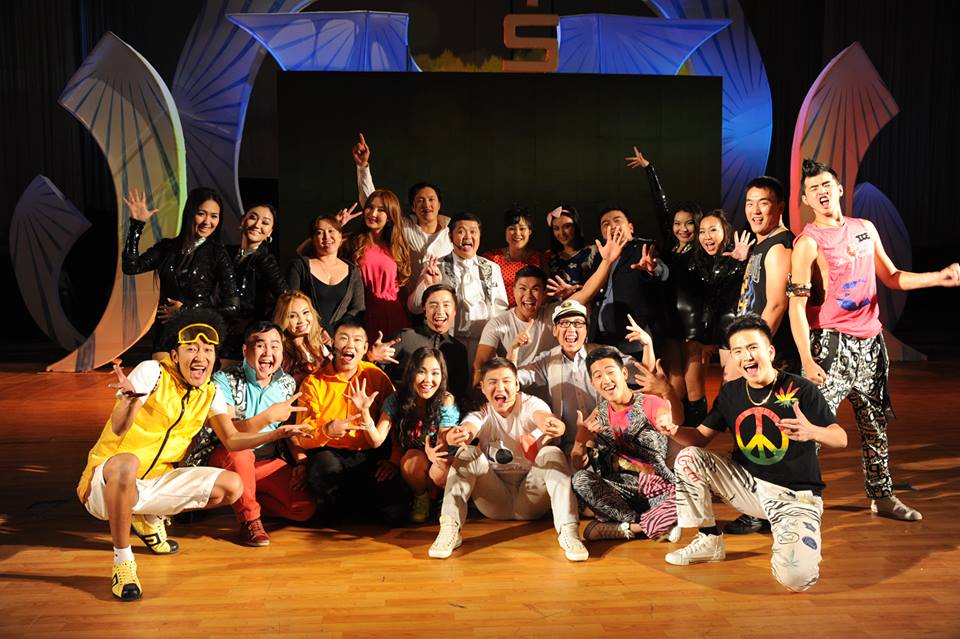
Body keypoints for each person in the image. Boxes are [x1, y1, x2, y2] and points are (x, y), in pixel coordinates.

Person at [76, 309, 308, 600]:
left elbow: (233, 439)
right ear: (175, 355)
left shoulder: (210, 393)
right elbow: (120, 428)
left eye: (207, 350)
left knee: (232, 486)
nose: (201, 356)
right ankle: (123, 562)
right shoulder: (152, 372)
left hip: (153, 483)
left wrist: (276, 433)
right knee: (128, 462)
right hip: (106, 483)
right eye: (192, 349)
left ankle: (146, 516)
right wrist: (129, 404)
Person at [789, 158, 960, 521]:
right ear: (805, 199)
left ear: (839, 189)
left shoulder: (864, 228)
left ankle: (882, 496)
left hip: (871, 343)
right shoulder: (808, 242)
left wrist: (939, 277)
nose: (821, 192)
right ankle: (797, 501)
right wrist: (806, 358)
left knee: (874, 425)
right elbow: (796, 306)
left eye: (826, 185)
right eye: (813, 188)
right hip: (831, 345)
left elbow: (892, 276)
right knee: (813, 427)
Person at [656, 314, 847, 592]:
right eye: (738, 351)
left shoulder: (801, 389)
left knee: (797, 579)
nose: (746, 356)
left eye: (753, 347)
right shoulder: (731, 393)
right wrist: (673, 430)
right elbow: (698, 438)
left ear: (770, 352)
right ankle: (709, 540)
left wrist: (813, 432)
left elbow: (840, 438)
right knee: (689, 458)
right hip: (748, 486)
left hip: (794, 497)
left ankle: (789, 537)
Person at [428, 358, 589, 562]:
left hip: (530, 497)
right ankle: (449, 529)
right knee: (467, 453)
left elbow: (543, 417)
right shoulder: (482, 412)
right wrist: (458, 435)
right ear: (482, 387)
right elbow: (469, 428)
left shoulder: (531, 404)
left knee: (552, 452)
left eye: (506, 381)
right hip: (495, 499)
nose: (500, 387)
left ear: (517, 384)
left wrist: (554, 424)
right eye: (493, 382)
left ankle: (569, 532)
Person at [181, 321, 316, 546]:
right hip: (227, 456)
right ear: (245, 350)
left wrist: (301, 462)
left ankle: (247, 498)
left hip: (265, 460)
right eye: (260, 345)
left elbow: (290, 432)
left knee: (303, 507)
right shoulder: (223, 379)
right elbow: (231, 434)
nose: (268, 352)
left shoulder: (287, 383)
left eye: (275, 346)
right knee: (240, 454)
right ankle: (250, 520)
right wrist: (268, 417)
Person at [727, 175, 797, 535]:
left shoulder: (780, 247)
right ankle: (758, 507)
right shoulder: (761, 244)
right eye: (749, 203)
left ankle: (765, 511)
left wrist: (749, 356)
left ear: (779, 207)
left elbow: (776, 305)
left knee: (765, 434)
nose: (754, 210)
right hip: (754, 353)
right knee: (753, 431)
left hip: (768, 358)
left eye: (763, 203)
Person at [473, 229, 626, 390]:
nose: (528, 295)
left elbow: (586, 293)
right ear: (513, 291)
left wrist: (607, 261)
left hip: (554, 394)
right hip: (514, 392)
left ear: (544, 292)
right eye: (522, 288)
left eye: (535, 289)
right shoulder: (498, 324)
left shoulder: (556, 314)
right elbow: (480, 366)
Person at [295, 318, 406, 524]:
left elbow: (395, 421)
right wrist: (326, 430)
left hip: (369, 453)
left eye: (357, 340)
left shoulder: (376, 375)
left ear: (365, 348)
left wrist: (394, 460)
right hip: (330, 453)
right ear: (333, 345)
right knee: (324, 473)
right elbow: (302, 438)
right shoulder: (314, 382)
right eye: (343, 339)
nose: (349, 345)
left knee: (395, 512)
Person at [572, 346, 683, 543]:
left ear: (624, 373)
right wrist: (580, 441)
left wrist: (668, 392)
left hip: (656, 488)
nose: (606, 380)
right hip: (619, 491)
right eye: (598, 376)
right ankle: (647, 525)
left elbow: (675, 420)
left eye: (610, 372)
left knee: (685, 496)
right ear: (592, 383)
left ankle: (620, 527)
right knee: (579, 480)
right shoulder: (598, 414)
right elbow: (578, 463)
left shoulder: (649, 402)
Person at [626, 147, 705, 421]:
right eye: (677, 223)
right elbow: (661, 207)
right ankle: (678, 421)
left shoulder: (703, 250)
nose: (682, 229)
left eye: (689, 224)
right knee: (674, 373)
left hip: (693, 322)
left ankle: (697, 426)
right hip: (669, 316)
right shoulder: (671, 246)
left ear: (698, 224)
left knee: (693, 379)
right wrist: (650, 170)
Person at [513, 302, 655, 452]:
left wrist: (647, 345)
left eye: (578, 323)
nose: (571, 329)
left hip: (610, 443)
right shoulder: (547, 361)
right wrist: (514, 350)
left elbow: (644, 377)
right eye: (564, 323)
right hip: (568, 447)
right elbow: (511, 381)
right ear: (554, 330)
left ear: (586, 330)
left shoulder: (605, 354)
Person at [121, 187, 238, 359]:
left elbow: (232, 306)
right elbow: (131, 267)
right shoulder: (168, 247)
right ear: (190, 214)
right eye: (201, 214)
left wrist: (186, 309)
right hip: (167, 334)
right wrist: (136, 225)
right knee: (161, 374)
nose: (207, 221)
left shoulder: (218, 253)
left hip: (199, 335)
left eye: (214, 216)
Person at [362, 347, 460, 522]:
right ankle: (421, 498)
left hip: (442, 461)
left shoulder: (445, 399)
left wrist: (433, 452)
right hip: (415, 462)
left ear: (442, 376)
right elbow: (376, 440)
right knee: (411, 460)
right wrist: (364, 413)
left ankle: (441, 500)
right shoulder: (395, 400)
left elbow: (442, 447)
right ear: (411, 373)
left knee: (441, 466)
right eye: (421, 372)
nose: (428, 380)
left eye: (435, 373)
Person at [407, 212, 509, 366]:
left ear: (479, 236)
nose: (468, 236)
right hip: (447, 344)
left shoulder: (491, 268)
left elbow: (500, 310)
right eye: (461, 231)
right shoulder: (436, 265)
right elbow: (414, 308)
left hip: (484, 345)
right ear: (450, 236)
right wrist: (426, 284)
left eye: (473, 232)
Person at [352, 133, 453, 281]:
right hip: (410, 295)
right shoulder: (404, 228)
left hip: (444, 295)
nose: (426, 205)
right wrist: (362, 167)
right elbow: (373, 201)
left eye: (431, 200)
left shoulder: (451, 231)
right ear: (413, 207)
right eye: (420, 201)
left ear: (439, 204)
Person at [586, 206, 670, 359]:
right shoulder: (599, 257)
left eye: (617, 221)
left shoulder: (644, 247)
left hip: (634, 335)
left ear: (630, 227)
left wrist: (653, 269)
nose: (612, 226)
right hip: (600, 336)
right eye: (606, 224)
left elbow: (663, 272)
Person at [222, 204, 290, 361]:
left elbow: (285, 297)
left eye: (265, 222)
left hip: (244, 338)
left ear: (270, 232)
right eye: (253, 217)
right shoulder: (226, 252)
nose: (257, 225)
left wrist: (252, 323)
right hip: (220, 327)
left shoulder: (265, 260)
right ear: (242, 221)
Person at [345, 188, 414, 340]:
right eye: (370, 207)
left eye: (381, 210)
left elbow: (404, 290)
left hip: (395, 315)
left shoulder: (397, 246)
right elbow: (303, 250)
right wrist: (335, 226)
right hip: (362, 314)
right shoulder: (351, 242)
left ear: (390, 216)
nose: (373, 213)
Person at [385, 284, 470, 400]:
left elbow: (459, 393)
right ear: (424, 310)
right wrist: (372, 357)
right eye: (433, 305)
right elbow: (377, 369)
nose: (440, 311)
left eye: (446, 305)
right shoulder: (405, 337)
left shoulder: (459, 350)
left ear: (455, 311)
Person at [286, 215, 364, 339]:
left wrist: (333, 331)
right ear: (312, 239)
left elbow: (358, 308)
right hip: (305, 337)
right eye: (319, 232)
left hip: (338, 340)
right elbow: (290, 303)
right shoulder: (300, 266)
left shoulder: (353, 271)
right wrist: (317, 328)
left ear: (340, 236)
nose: (326, 237)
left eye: (331, 231)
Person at [482, 206, 549, 307]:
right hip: (497, 314)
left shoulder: (539, 259)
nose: (517, 233)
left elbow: (546, 293)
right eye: (512, 228)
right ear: (505, 231)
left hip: (530, 313)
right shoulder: (492, 258)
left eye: (522, 228)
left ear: (530, 231)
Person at [273, 291, 328, 386]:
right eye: (292, 316)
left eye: (305, 312)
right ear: (282, 320)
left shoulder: (320, 341)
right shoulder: (280, 352)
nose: (301, 320)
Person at [545, 205, 593, 290]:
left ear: (576, 226)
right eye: (556, 228)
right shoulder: (549, 256)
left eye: (567, 226)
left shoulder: (592, 251)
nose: (562, 233)